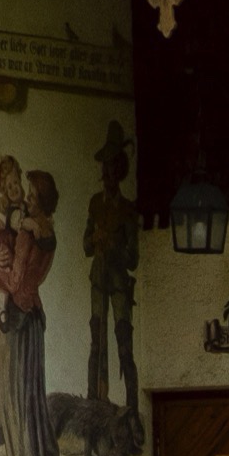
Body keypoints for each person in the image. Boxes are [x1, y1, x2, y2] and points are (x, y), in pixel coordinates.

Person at [0, 165, 63, 456]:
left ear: (41, 202)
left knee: (14, 401)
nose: (28, 200)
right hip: (34, 320)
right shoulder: (48, 236)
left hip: (18, 324)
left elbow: (15, 281)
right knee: (32, 399)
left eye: (32, 196)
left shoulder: (27, 234)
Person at [84, 123, 141, 420]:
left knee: (123, 343)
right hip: (98, 279)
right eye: (104, 167)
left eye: (111, 166)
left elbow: (133, 258)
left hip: (118, 282)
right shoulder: (95, 203)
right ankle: (92, 402)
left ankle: (132, 407)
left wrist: (114, 246)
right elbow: (85, 245)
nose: (106, 173)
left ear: (119, 170)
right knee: (96, 340)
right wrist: (94, 240)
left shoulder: (128, 209)